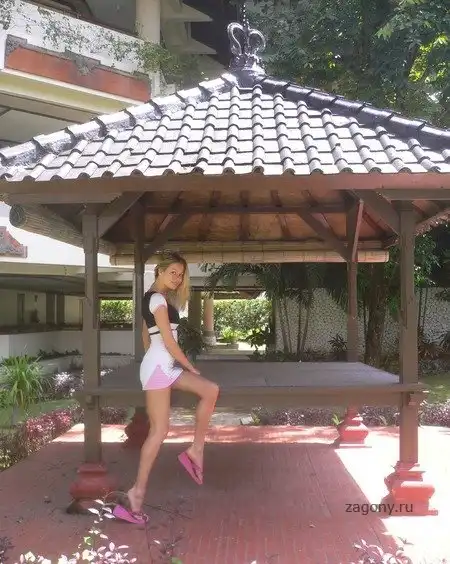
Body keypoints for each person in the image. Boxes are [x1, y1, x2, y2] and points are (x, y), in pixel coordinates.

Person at [121, 252, 219, 523]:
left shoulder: (155, 298)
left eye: (180, 274)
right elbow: (168, 341)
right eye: (172, 272)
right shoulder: (157, 299)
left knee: (210, 390)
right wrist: (189, 366)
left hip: (163, 367)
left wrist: (158, 360)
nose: (177, 278)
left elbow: (146, 334)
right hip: (159, 369)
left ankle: (195, 450)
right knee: (159, 432)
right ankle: (136, 494)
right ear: (159, 271)